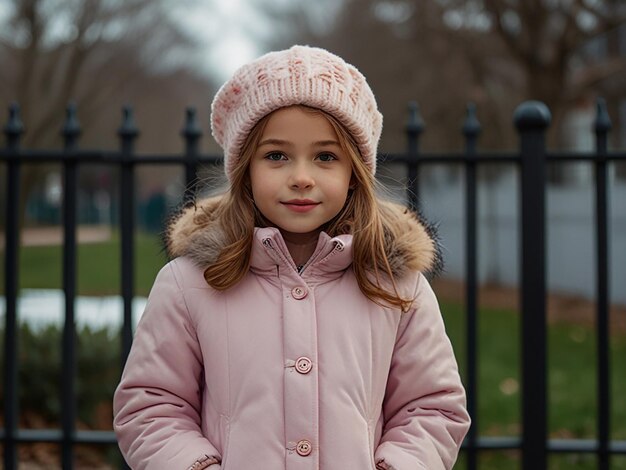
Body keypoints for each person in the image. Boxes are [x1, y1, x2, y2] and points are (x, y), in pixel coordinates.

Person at [113, 45, 470, 470]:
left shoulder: (399, 287)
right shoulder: (189, 283)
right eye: (276, 156)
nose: (301, 178)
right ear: (245, 169)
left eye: (325, 157)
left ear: (354, 173)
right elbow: (151, 406)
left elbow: (432, 408)